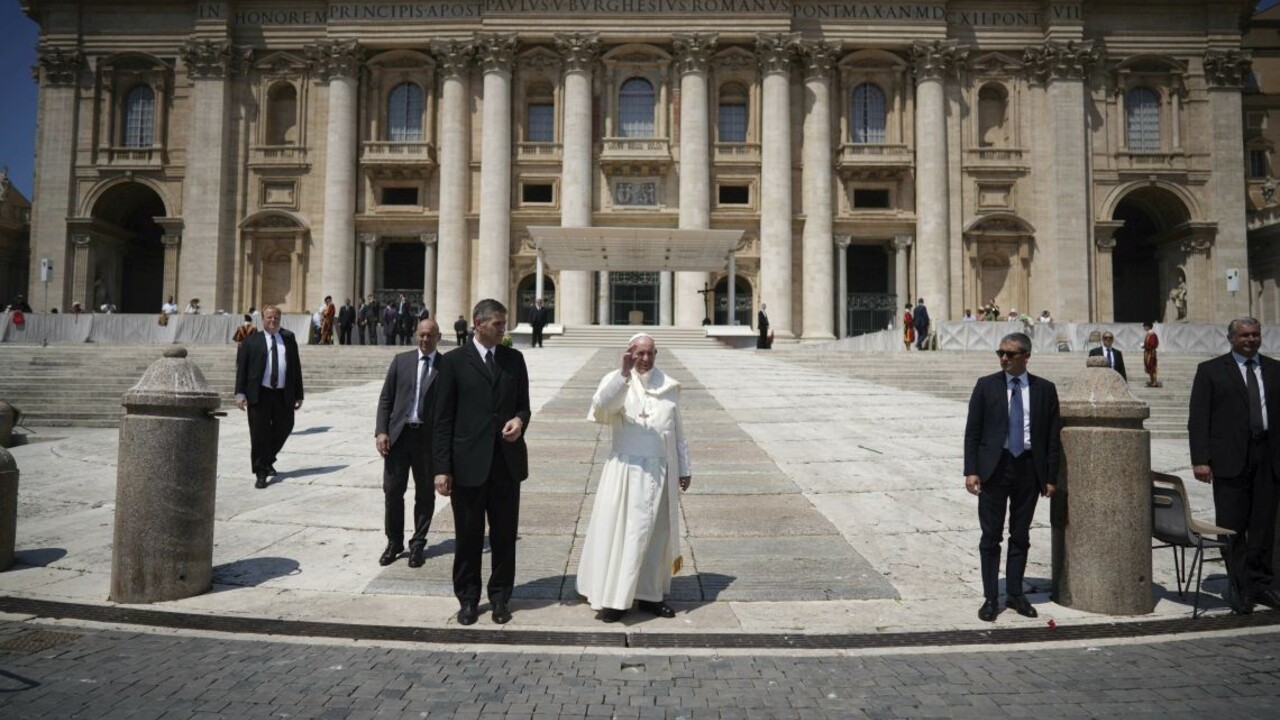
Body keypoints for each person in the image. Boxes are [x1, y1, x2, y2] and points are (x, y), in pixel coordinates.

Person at [578, 333, 692, 623]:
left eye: (650, 353)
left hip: (660, 471)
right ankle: (616, 599)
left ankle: (651, 596)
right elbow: (603, 409)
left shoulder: (668, 386)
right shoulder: (615, 380)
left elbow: (677, 431)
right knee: (625, 534)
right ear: (630, 353)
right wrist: (623, 373)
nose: (645, 359)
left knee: (656, 537)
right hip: (626, 472)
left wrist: (685, 468)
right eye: (639, 353)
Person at [433, 299, 531, 626]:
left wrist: (519, 422)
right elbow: (443, 418)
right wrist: (441, 468)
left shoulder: (514, 360)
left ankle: (501, 597)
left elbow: (523, 407)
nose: (504, 329)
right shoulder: (453, 362)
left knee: (504, 536)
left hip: (506, 463)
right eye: (498, 325)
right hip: (467, 465)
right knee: (469, 537)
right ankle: (468, 599)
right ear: (479, 323)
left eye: (504, 324)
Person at [964, 332, 1061, 622]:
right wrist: (971, 470)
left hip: (1029, 468)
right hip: (995, 468)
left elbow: (1052, 438)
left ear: (1026, 356)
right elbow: (973, 432)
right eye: (1001, 353)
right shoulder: (986, 386)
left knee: (1020, 534)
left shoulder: (1045, 389)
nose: (1004, 358)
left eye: (1011, 354)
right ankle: (991, 598)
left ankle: (1016, 594)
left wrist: (1050, 477)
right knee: (990, 536)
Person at [1189, 317, 1280, 614]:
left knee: (1265, 525)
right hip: (1230, 459)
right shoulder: (1211, 371)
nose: (1250, 340)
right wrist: (1200, 460)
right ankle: (1239, 586)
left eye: (1255, 335)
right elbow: (1199, 419)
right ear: (1231, 338)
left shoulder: (1275, 370)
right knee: (1231, 526)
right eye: (1244, 335)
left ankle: (1262, 584)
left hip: (1268, 455)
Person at [375, 318, 443, 569]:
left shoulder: (446, 367)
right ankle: (394, 542)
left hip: (427, 440)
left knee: (425, 495)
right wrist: (381, 431)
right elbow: (386, 399)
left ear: (439, 336)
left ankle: (418, 544)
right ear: (416, 334)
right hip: (398, 438)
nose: (425, 340)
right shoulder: (400, 361)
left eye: (430, 335)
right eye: (422, 335)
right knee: (393, 492)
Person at [234, 305, 304, 489]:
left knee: (286, 426)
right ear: (262, 319)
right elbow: (242, 369)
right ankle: (261, 472)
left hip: (283, 393)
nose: (272, 321)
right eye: (269, 318)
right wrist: (240, 393)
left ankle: (265, 459)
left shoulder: (288, 339)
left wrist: (299, 394)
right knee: (259, 434)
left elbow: (295, 368)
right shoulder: (251, 341)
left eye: (276, 318)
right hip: (260, 394)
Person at [1142, 321, 1161, 387]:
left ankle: (1154, 382)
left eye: (1145, 326)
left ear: (1148, 326)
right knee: (1149, 368)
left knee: (1152, 367)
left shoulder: (1152, 334)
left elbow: (1153, 344)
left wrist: (1145, 346)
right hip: (1147, 353)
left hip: (1151, 354)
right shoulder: (1148, 334)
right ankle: (1152, 381)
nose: (1144, 327)